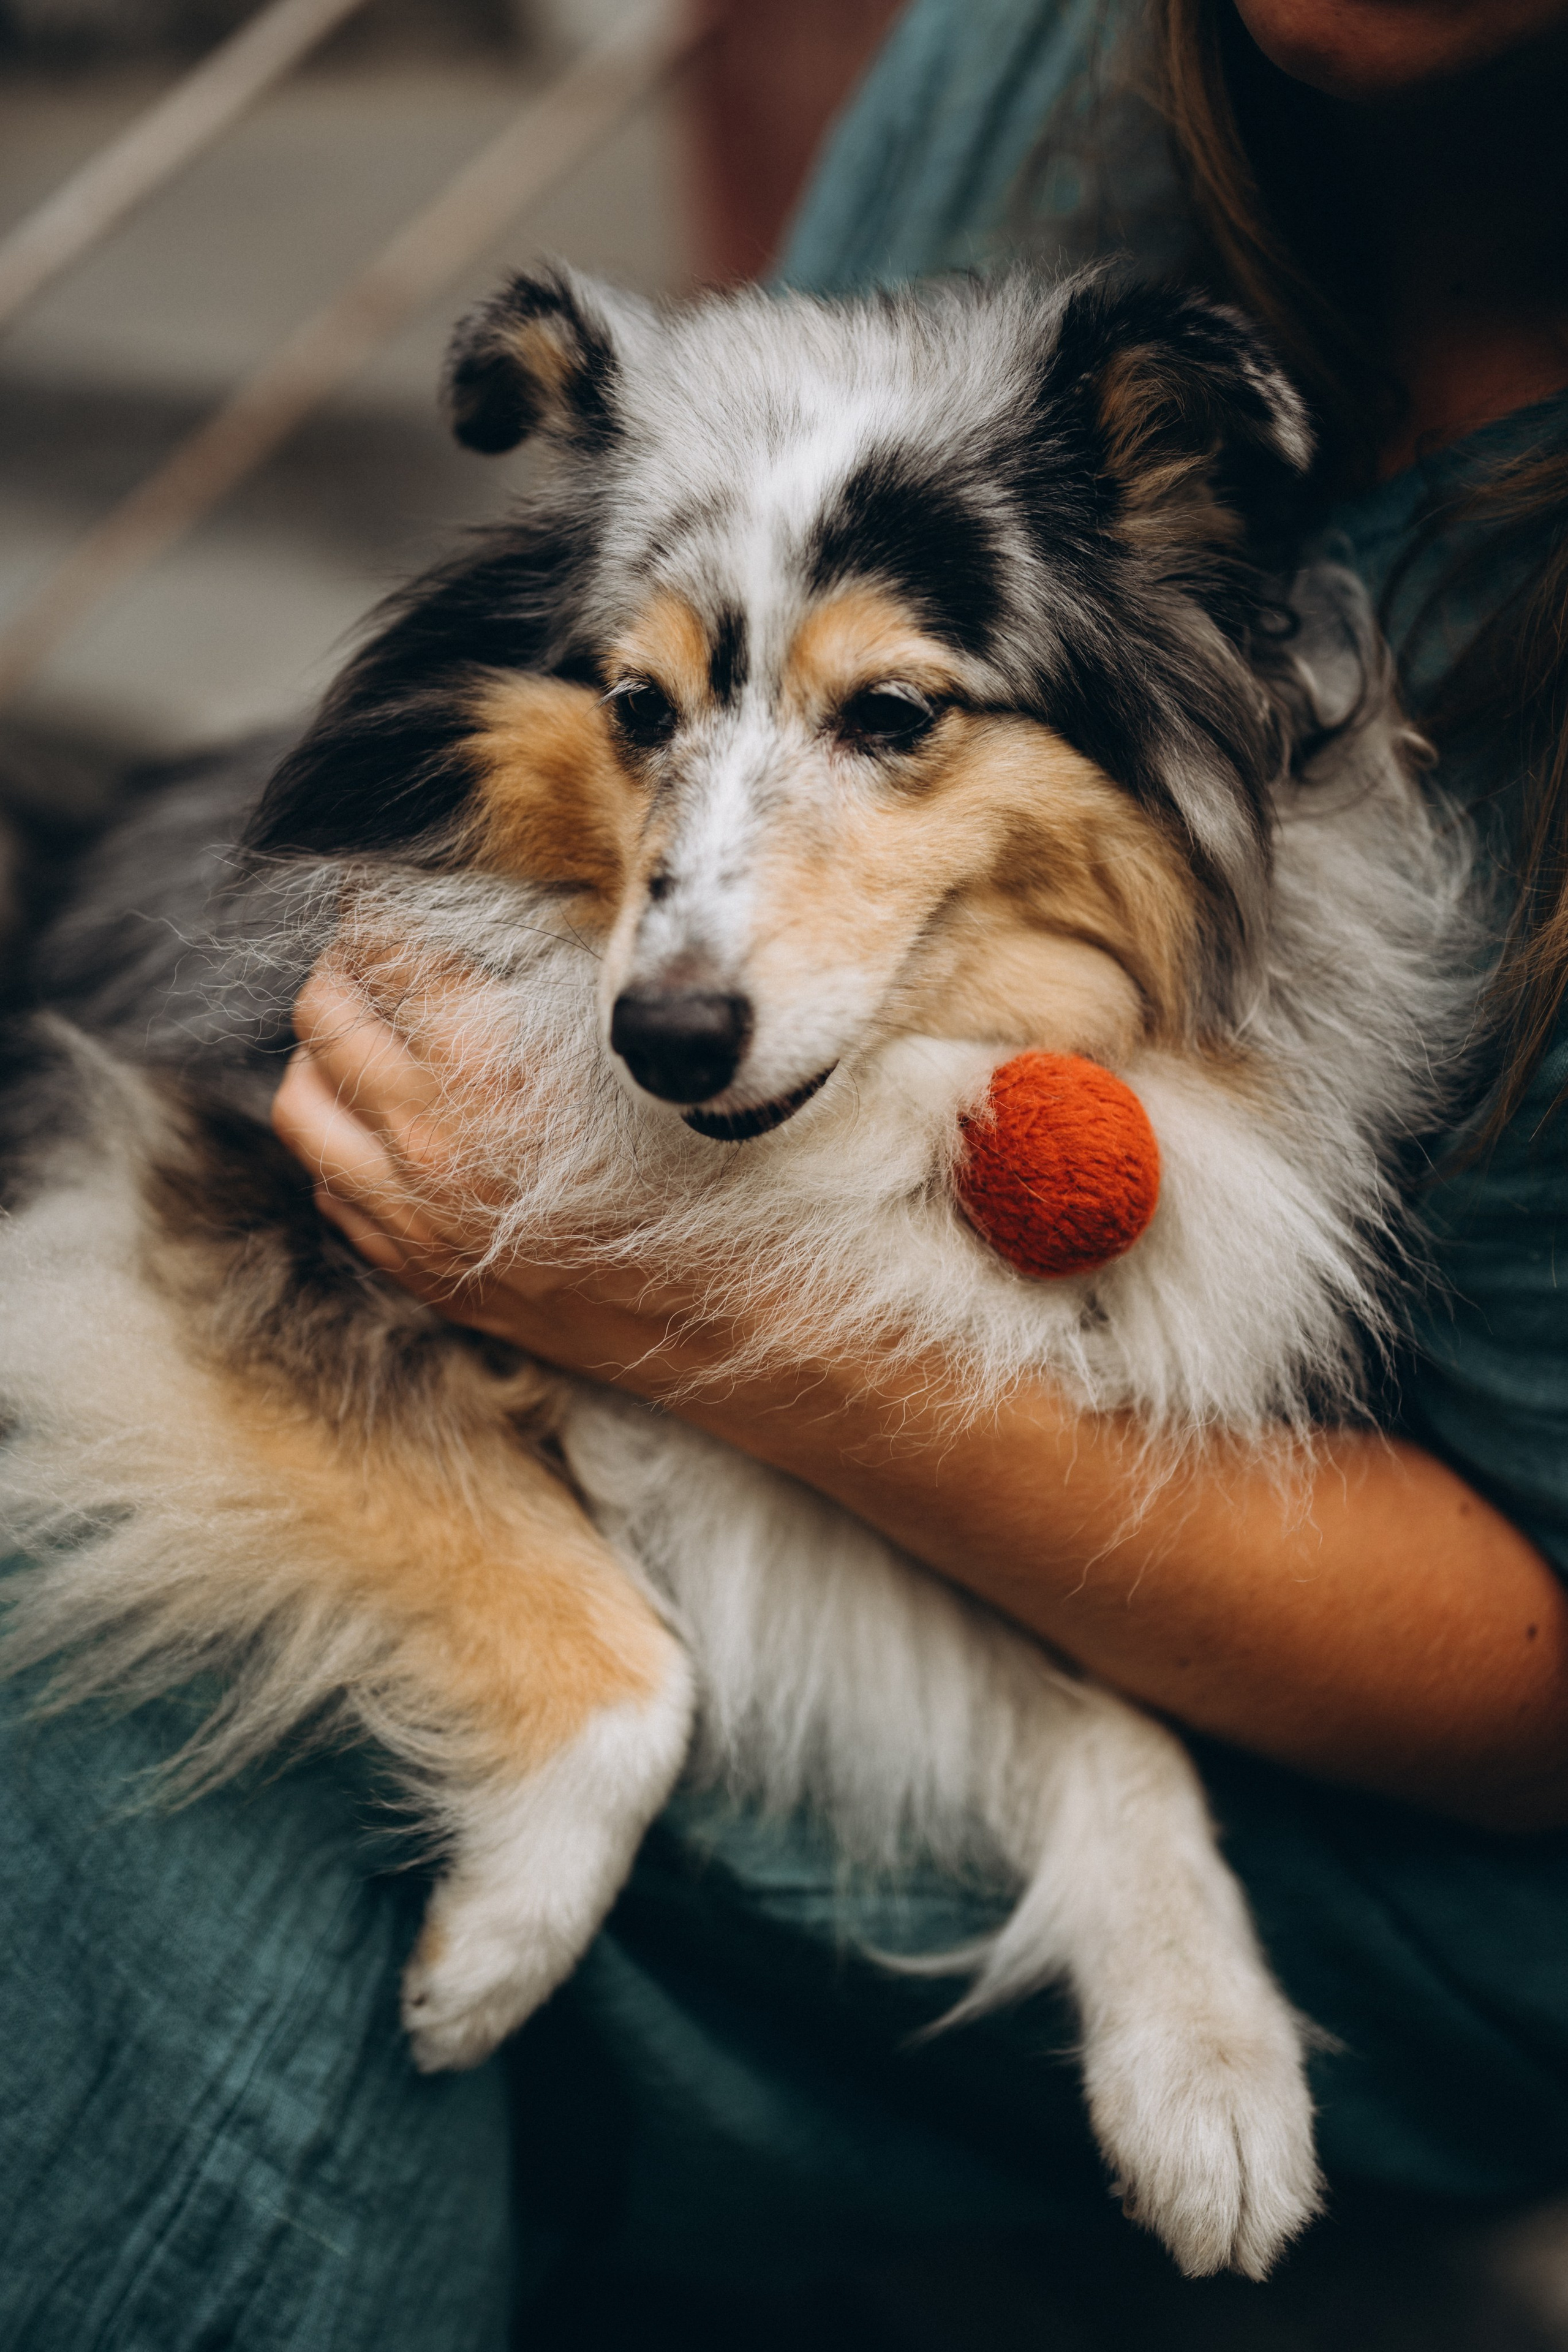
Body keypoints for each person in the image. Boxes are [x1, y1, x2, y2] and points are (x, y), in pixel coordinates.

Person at [6, 3, 1568, 2345]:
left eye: (895, 716)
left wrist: (688, 1314)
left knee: (124, 1713)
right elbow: (725, 528)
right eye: (656, 720)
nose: (692, 944)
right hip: (1001, 1567)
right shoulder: (1050, 49)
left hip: (1422, 1843)